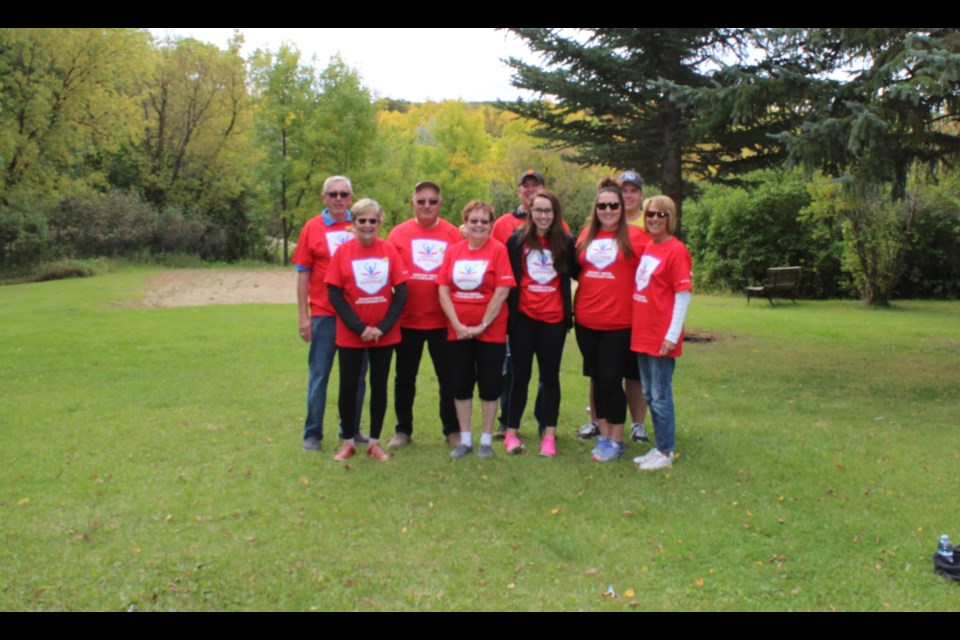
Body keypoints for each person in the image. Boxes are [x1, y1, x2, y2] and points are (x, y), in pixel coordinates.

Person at [325, 199, 410, 461]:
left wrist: (381, 328)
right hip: (351, 335)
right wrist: (360, 327)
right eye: (362, 220)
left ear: (379, 223)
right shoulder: (343, 252)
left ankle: (374, 441)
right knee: (349, 386)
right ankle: (348, 441)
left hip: (384, 336)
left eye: (373, 220)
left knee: (379, 386)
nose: (367, 225)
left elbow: (402, 292)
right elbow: (335, 294)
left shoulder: (388, 249)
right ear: (354, 223)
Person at [573, 179, 649, 462]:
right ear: (596, 208)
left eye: (613, 205)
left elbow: (657, 268)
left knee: (610, 380)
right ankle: (604, 435)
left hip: (620, 323)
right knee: (597, 378)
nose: (607, 210)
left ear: (622, 207)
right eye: (602, 205)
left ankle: (616, 439)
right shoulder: (586, 236)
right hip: (585, 321)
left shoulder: (637, 237)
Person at [385, 181, 463, 449]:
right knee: (404, 379)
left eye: (432, 201)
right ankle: (403, 430)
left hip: (443, 321)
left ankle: (452, 429)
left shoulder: (453, 234)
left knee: (449, 379)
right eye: (421, 201)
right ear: (413, 203)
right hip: (407, 321)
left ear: (440, 204)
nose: (427, 205)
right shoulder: (397, 234)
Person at [438, 201, 516, 460]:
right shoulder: (454, 251)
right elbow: (443, 289)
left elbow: (502, 290)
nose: (479, 225)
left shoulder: (499, 251)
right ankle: (465, 439)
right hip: (457, 332)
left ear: (491, 224)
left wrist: (482, 324)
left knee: (490, 385)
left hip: (490, 332)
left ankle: (485, 440)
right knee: (460, 385)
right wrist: (458, 325)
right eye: (474, 220)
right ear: (466, 222)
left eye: (484, 221)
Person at [294, 176, 366, 452]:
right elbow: (303, 276)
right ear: (323, 197)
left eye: (344, 194)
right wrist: (304, 317)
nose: (338, 198)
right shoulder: (312, 228)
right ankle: (312, 433)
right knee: (320, 376)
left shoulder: (361, 224)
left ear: (351, 197)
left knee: (357, 377)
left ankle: (350, 428)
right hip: (324, 315)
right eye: (332, 193)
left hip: (357, 318)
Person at [504, 190, 579, 457]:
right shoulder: (517, 240)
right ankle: (511, 433)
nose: (543, 215)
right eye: (538, 210)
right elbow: (505, 275)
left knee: (550, 378)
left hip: (554, 321)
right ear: (530, 212)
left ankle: (549, 435)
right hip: (523, 319)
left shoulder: (566, 242)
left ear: (555, 213)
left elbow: (581, 271)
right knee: (519, 377)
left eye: (548, 211)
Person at [631, 195, 692, 470]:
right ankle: (658, 447)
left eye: (661, 215)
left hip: (660, 335)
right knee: (649, 393)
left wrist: (671, 335)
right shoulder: (650, 247)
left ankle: (666, 452)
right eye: (650, 214)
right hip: (643, 333)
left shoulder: (676, 250)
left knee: (661, 394)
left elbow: (683, 296)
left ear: (670, 218)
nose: (654, 219)